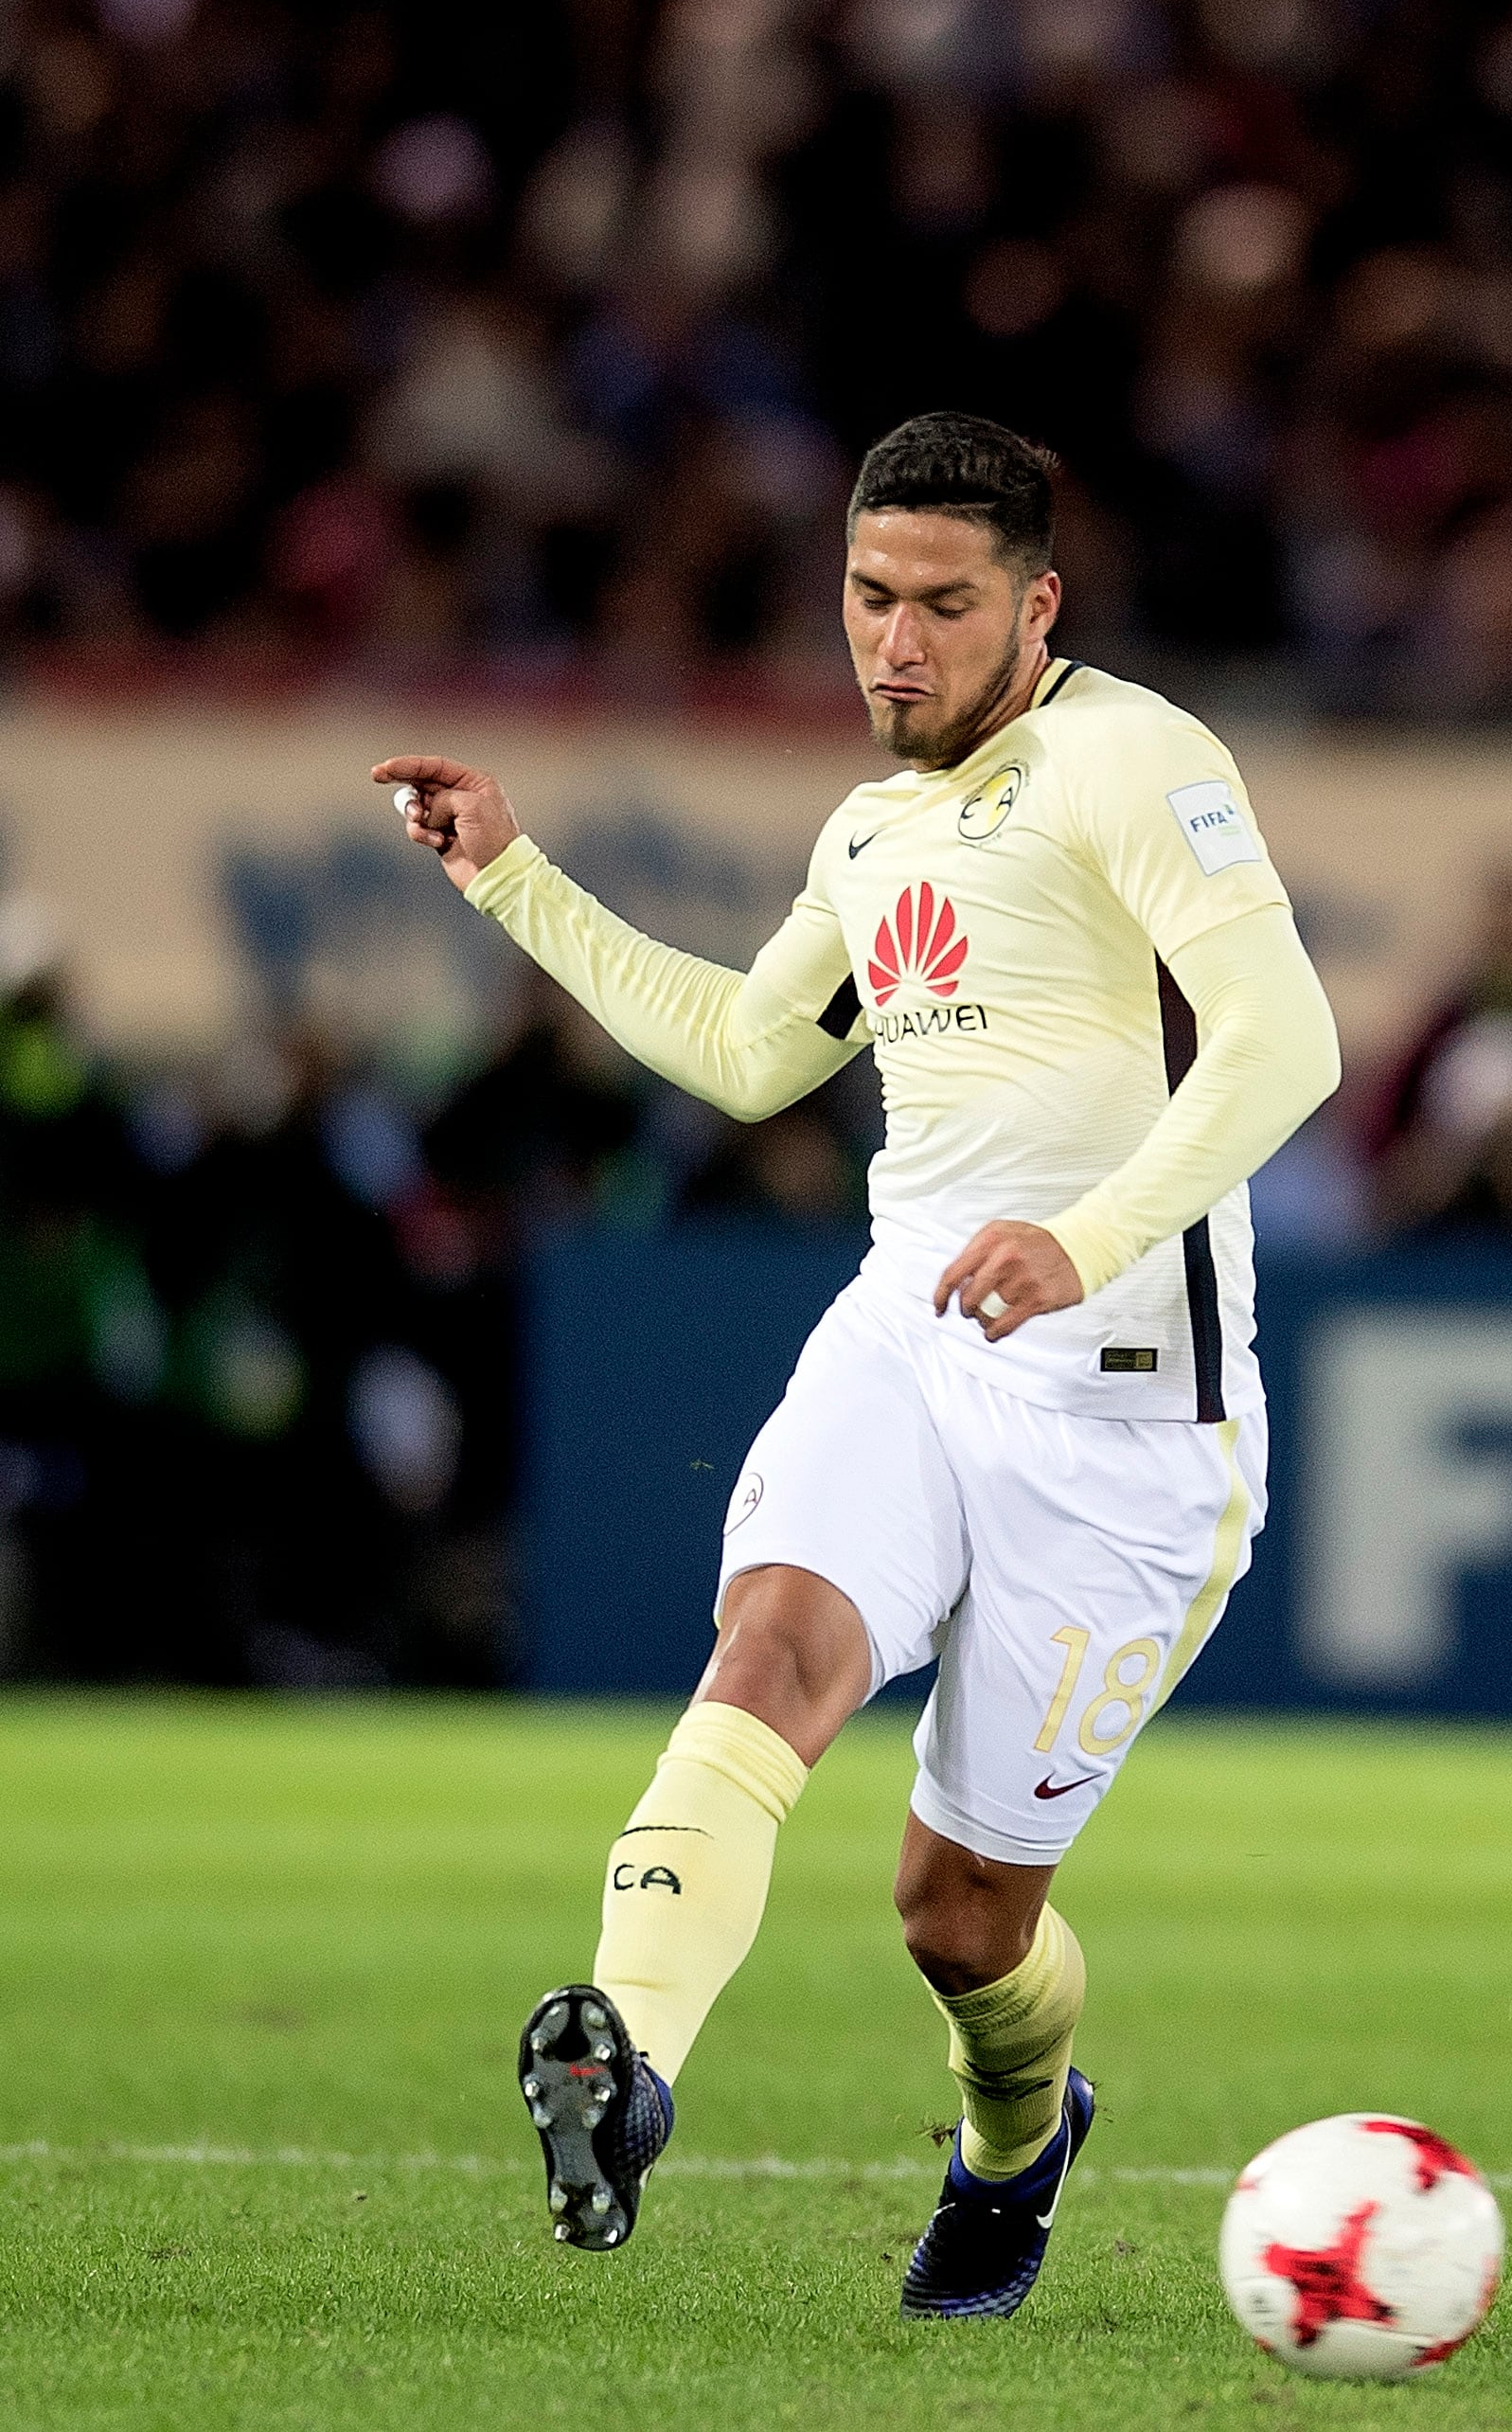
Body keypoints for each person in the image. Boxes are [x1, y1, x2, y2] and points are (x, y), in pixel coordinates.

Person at [375, 413, 1341, 2317]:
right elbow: (751, 1051)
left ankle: (1014, 2137)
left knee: (959, 1917)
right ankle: (629, 2062)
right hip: (912, 1327)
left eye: (941, 604)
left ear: (1035, 602)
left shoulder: (1132, 759)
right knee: (771, 1653)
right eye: (866, 597)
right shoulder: (871, 823)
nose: (892, 642)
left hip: (1128, 1408)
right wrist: (514, 877)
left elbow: (1284, 1040)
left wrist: (1082, 1234)